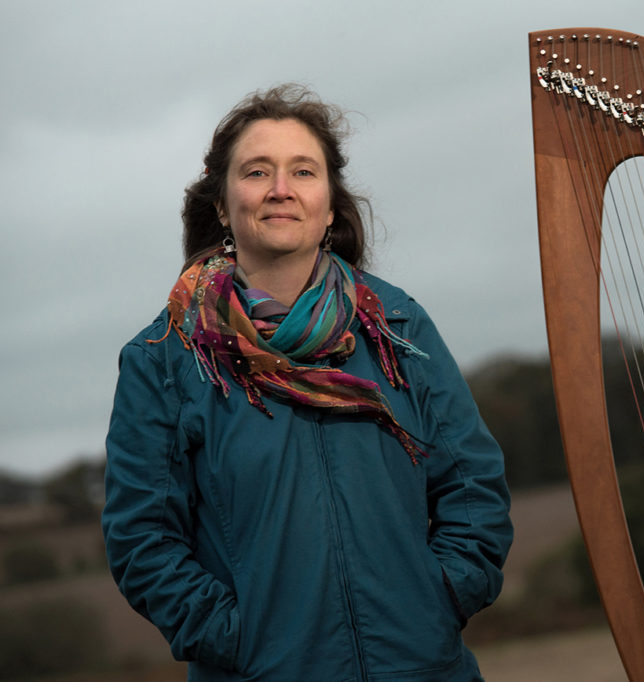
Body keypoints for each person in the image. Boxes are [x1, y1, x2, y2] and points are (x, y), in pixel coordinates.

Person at [102, 84, 513, 681]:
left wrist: (439, 599)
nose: (281, 189)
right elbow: (143, 540)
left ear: (328, 205)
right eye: (256, 172)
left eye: (302, 170)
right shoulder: (164, 357)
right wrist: (239, 640)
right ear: (223, 207)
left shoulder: (397, 328)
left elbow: (473, 486)